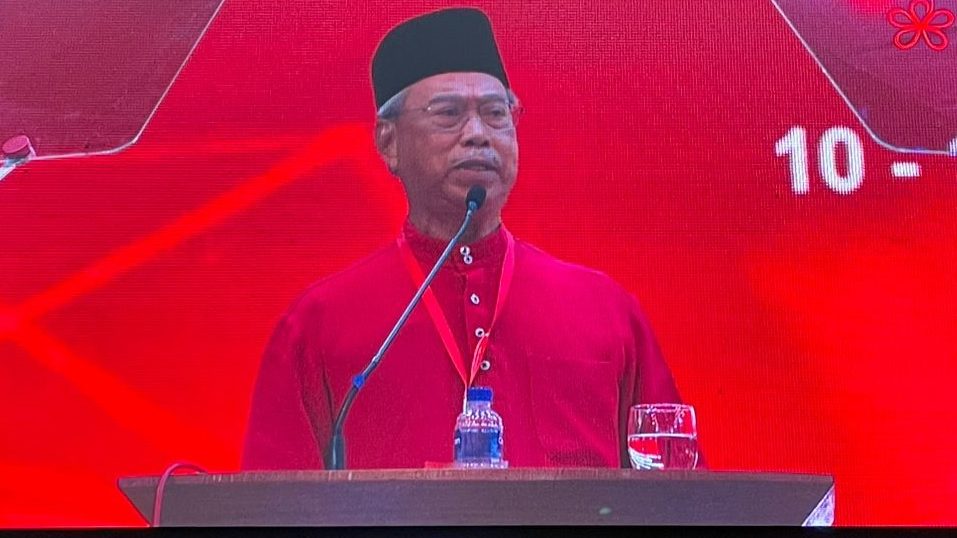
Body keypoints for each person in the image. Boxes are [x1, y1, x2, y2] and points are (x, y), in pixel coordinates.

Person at [241, 7, 691, 470]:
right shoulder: (320, 325)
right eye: (449, 114)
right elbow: (267, 502)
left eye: (496, 114)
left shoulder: (605, 310)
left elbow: (680, 491)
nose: (477, 135)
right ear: (389, 142)